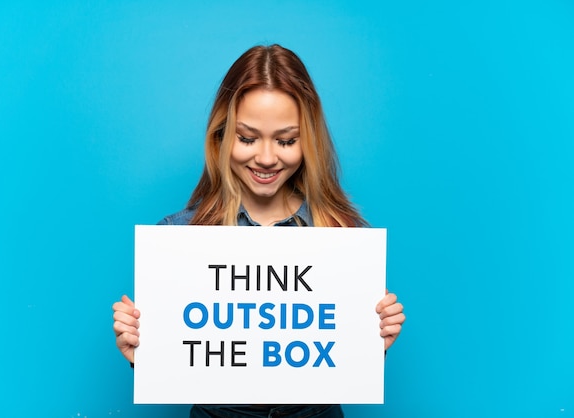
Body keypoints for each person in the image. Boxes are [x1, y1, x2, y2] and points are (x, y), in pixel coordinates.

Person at [112, 44, 405, 418]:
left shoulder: (343, 236)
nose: (266, 158)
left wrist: (371, 341)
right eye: (247, 138)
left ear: (309, 140)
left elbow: (341, 357)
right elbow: (182, 360)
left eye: (286, 140)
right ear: (221, 134)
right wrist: (144, 355)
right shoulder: (179, 237)